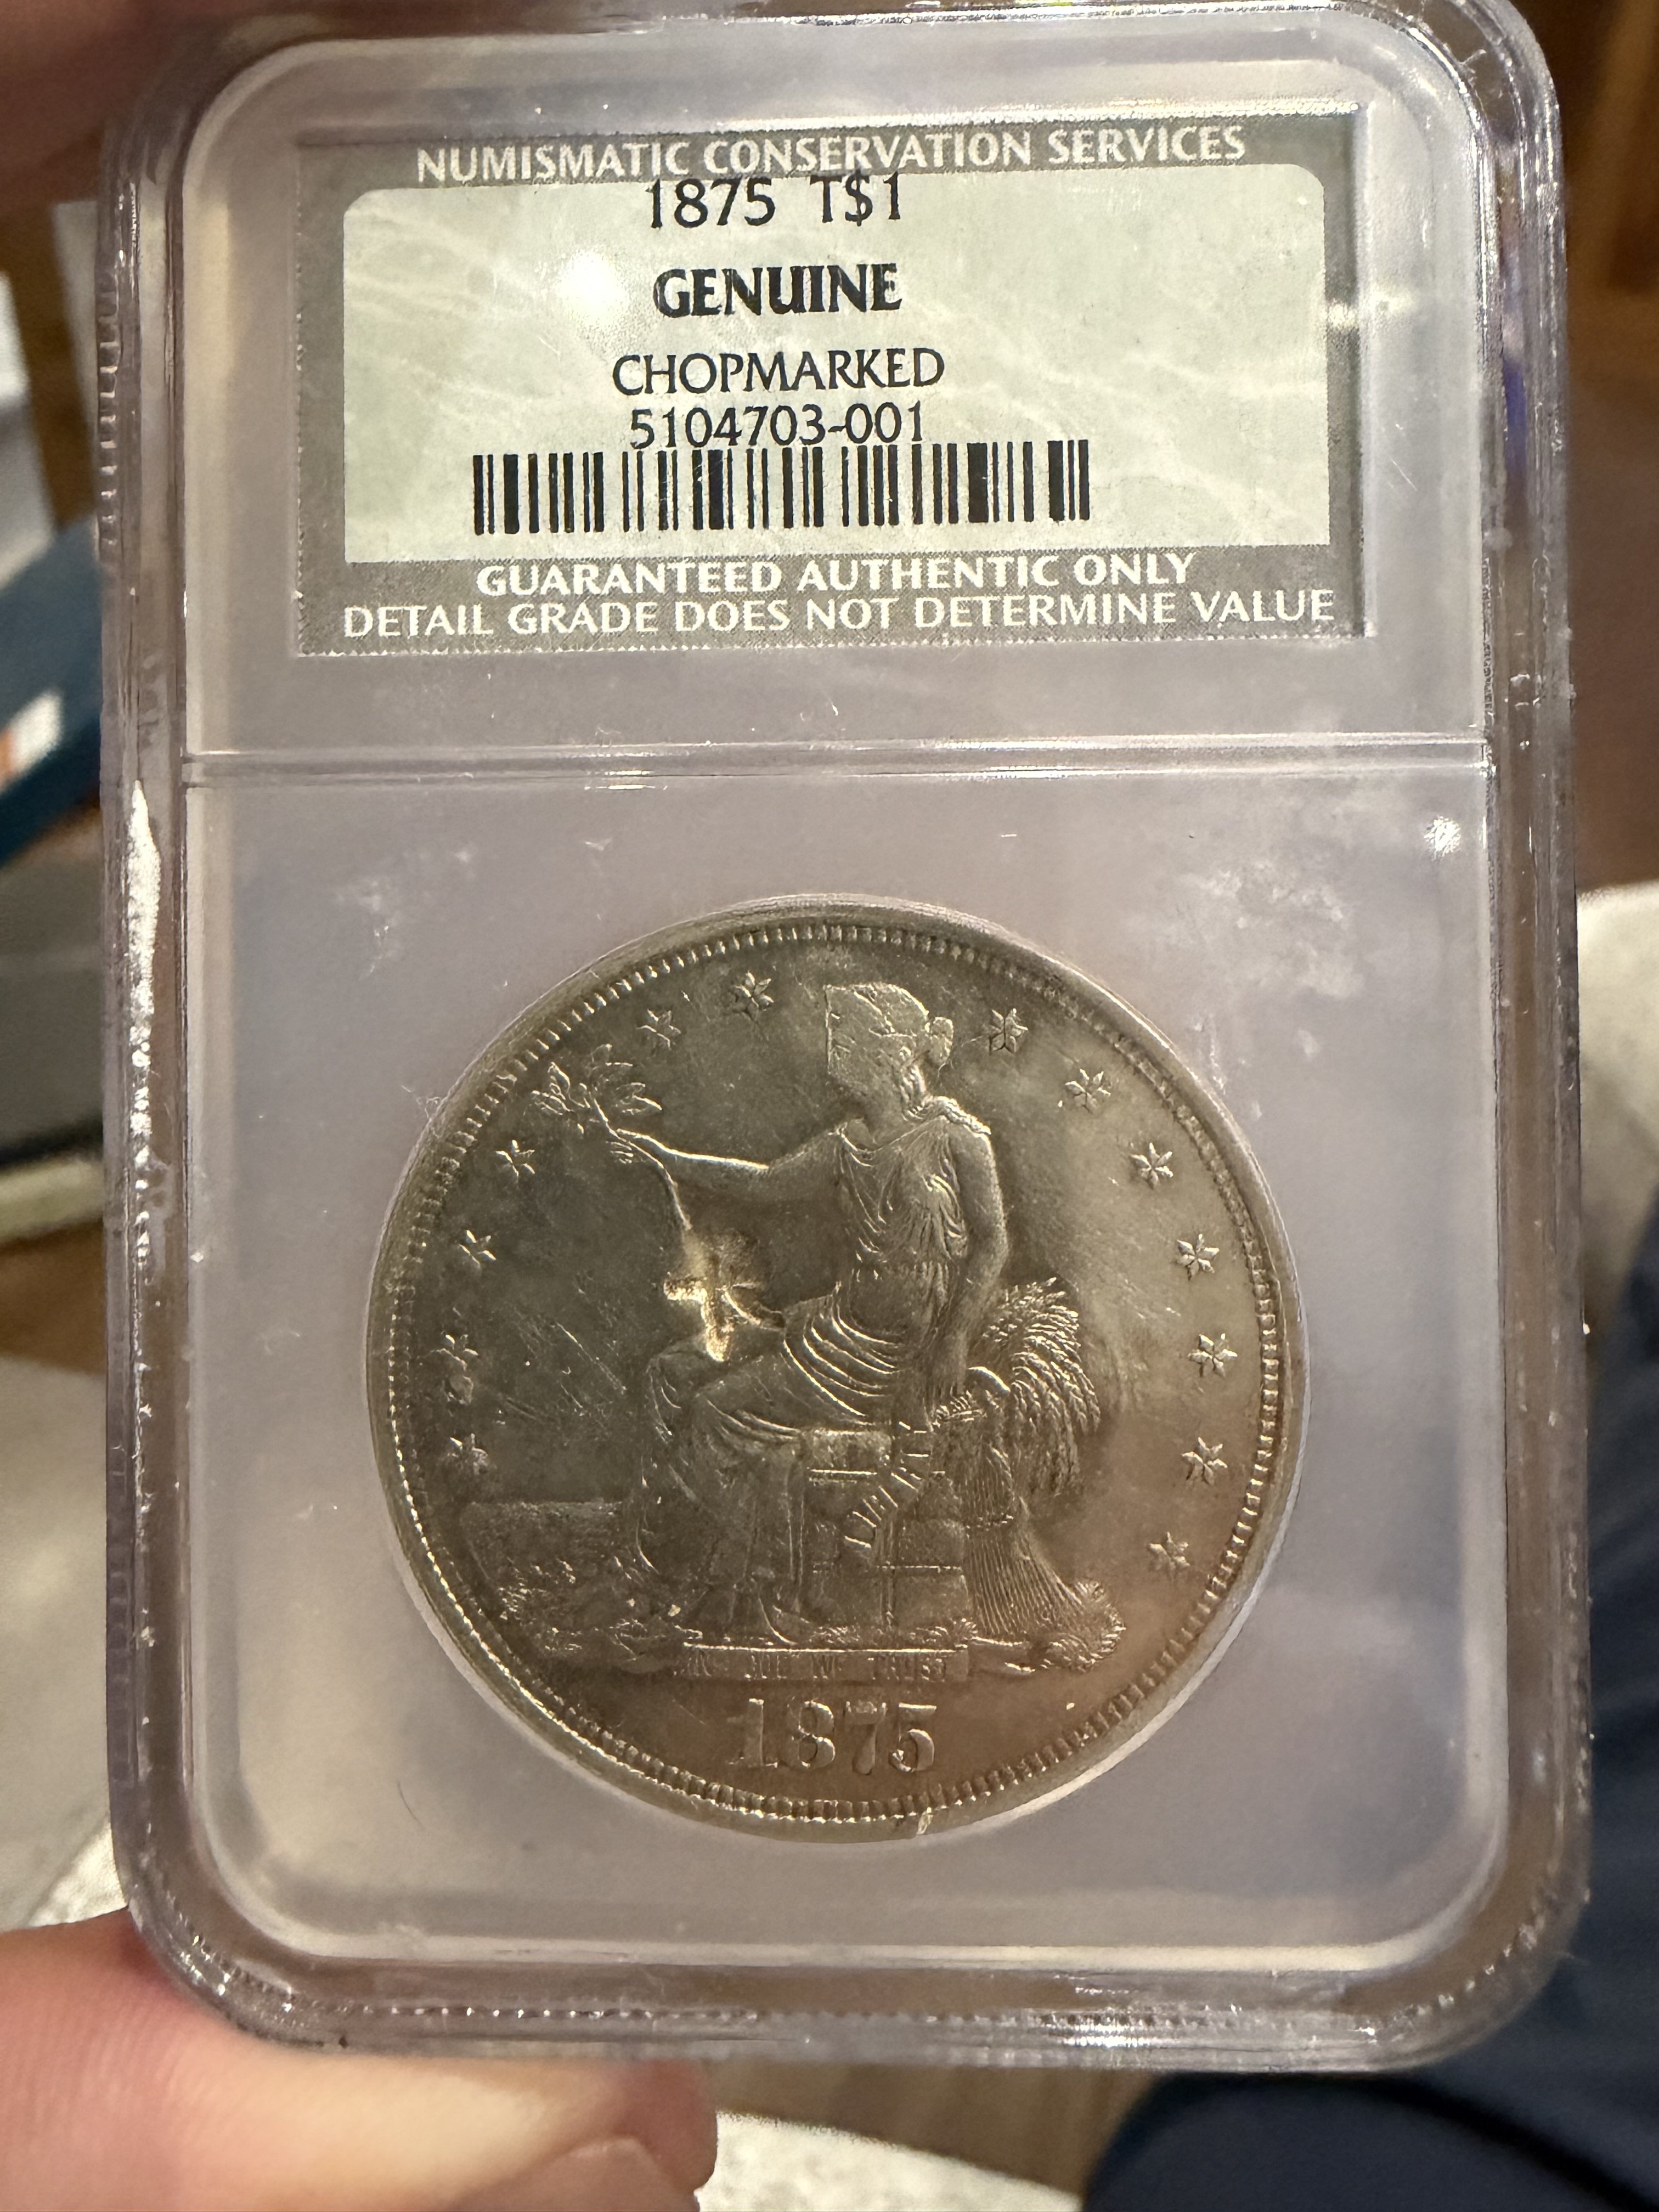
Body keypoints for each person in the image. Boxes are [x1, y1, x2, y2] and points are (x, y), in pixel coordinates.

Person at [619, 982, 1009, 1630]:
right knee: (670, 1376)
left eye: (842, 1038)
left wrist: (956, 1338)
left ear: (883, 1053)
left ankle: (733, 1591)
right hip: (832, 1332)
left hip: (893, 1358)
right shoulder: (845, 1143)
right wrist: (670, 1160)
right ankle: (661, 1569)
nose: (832, 1052)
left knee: (715, 1410)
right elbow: (764, 1182)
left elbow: (994, 1242)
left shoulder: (958, 1139)